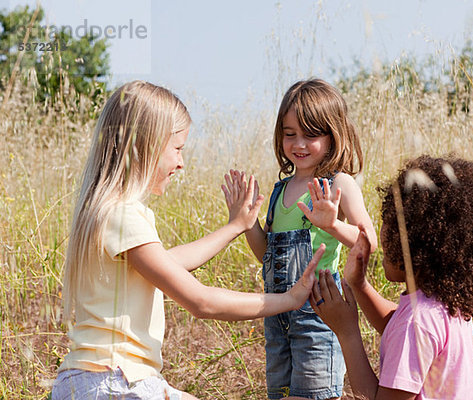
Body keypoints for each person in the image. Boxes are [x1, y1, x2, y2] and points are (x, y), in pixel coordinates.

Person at [51, 81, 325, 400]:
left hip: (88, 380)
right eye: (178, 148)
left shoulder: (105, 211)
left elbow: (171, 262)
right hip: (116, 380)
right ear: (146, 145)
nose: (181, 163)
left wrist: (235, 226)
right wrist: (289, 300)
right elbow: (201, 302)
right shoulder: (123, 215)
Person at [226, 79, 377, 399]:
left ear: (333, 134)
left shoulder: (339, 183)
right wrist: (245, 223)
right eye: (289, 133)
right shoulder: (281, 190)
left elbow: (368, 242)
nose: (299, 144)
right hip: (277, 316)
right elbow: (268, 255)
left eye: (311, 134)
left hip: (318, 316)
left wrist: (334, 224)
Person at [311, 155, 473, 399]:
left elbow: (409, 329)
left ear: (418, 244)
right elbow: (397, 326)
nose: (382, 238)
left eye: (390, 228)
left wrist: (347, 332)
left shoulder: (417, 322)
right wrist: (360, 286)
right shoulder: (446, 303)